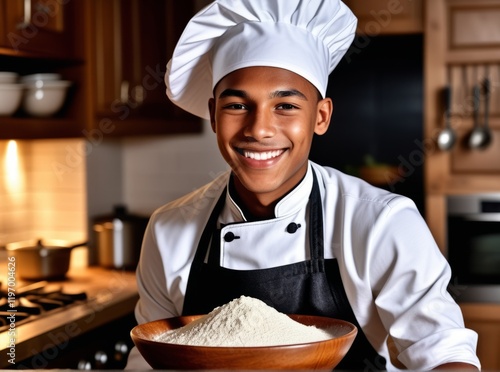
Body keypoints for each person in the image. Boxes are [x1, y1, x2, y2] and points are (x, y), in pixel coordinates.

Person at [126, 0, 481, 370]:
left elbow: (444, 353)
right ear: (214, 115)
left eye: (286, 107)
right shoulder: (169, 229)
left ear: (321, 116)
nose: (259, 129)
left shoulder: (379, 222)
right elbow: (150, 359)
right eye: (237, 106)